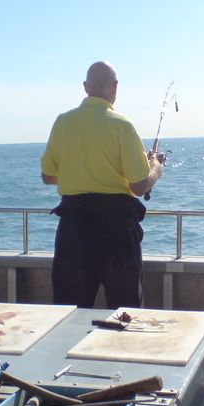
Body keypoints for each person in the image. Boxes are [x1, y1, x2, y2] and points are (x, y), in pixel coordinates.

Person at [40, 61, 163, 309]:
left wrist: (79, 174)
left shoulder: (63, 122)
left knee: (68, 310)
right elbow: (139, 186)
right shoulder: (122, 125)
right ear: (115, 87)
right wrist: (156, 169)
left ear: (85, 87)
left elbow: (48, 176)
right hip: (116, 229)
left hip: (73, 227)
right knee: (125, 311)